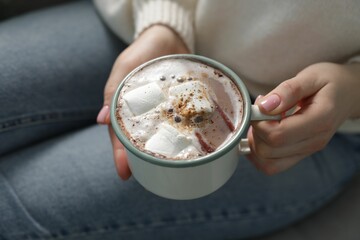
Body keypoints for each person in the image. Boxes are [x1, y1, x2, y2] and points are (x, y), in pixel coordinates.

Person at [0, 0, 359, 239]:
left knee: (11, 210)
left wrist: (354, 88)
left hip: (321, 122)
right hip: (152, 23)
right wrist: (163, 23)